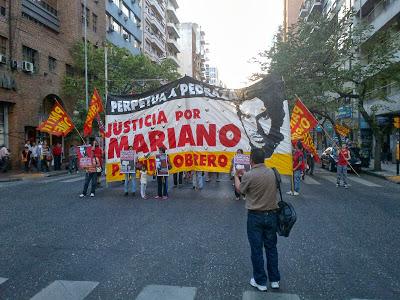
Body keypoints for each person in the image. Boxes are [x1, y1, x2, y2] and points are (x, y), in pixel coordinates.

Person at [234, 148, 280, 291]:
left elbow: (239, 190)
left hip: (255, 217)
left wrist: (236, 176)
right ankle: (274, 280)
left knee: (256, 249)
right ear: (264, 159)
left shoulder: (249, 175)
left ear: (251, 160)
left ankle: (260, 281)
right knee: (271, 248)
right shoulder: (273, 172)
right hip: (272, 215)